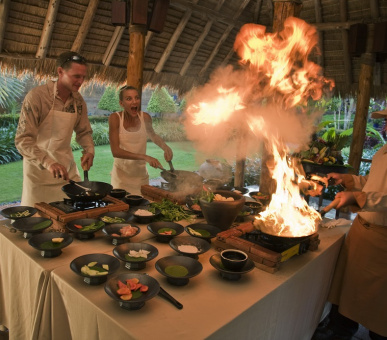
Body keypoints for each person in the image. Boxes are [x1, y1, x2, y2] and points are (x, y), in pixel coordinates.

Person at [312, 109, 387, 340]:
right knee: (346, 293)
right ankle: (339, 330)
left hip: (383, 243)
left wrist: (358, 198)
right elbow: (377, 182)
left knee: (379, 308)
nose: (386, 125)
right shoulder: (384, 151)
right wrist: (352, 181)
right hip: (361, 234)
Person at [15, 51, 95, 206]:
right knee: (37, 222)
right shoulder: (37, 97)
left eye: (83, 77)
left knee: (74, 218)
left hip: (67, 173)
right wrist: (48, 162)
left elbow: (84, 132)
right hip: (39, 173)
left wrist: (89, 149)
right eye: (76, 76)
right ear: (60, 72)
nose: (81, 81)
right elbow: (23, 140)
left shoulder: (78, 101)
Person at [109, 85, 173, 194]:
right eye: (129, 99)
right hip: (121, 177)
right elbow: (116, 151)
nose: (134, 102)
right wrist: (145, 157)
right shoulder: (115, 118)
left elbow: (153, 135)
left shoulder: (145, 117)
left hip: (141, 177)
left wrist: (165, 147)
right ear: (121, 103)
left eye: (136, 98)